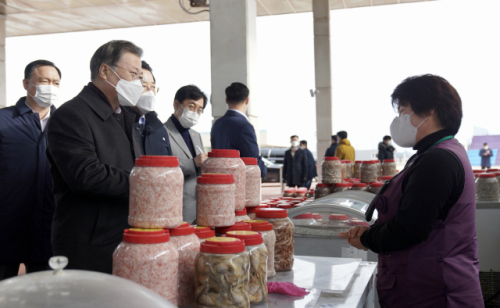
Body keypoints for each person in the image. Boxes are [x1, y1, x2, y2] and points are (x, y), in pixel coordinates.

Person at [339, 74, 483, 307]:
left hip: (434, 295)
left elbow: (410, 228)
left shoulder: (437, 160)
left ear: (430, 111)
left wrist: (367, 238)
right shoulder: (435, 153)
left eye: (403, 111)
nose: (398, 120)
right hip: (426, 289)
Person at [47, 40, 143, 273]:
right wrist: (144, 182)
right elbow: (86, 175)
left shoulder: (129, 117)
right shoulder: (72, 114)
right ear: (104, 71)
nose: (138, 83)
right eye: (133, 74)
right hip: (90, 240)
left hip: (125, 232)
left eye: (140, 76)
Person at [0, 60, 60, 280]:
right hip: (7, 223)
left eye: (55, 82)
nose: (50, 87)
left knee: (45, 294)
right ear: (27, 83)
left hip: (49, 224)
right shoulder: (3, 120)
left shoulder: (65, 123)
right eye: (44, 81)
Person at [165, 85, 207, 223]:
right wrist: (193, 163)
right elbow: (162, 168)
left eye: (199, 110)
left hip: (198, 207)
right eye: (191, 106)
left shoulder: (195, 135)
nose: (195, 112)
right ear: (177, 104)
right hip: (176, 206)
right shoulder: (161, 132)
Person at [211, 82, 267, 177]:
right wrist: (264, 169)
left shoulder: (217, 124)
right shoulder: (244, 126)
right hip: (239, 182)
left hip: (219, 181)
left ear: (226, 100)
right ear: (247, 100)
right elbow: (253, 161)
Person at [125, 61, 172, 156]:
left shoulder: (159, 127)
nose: (150, 91)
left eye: (153, 87)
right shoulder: (119, 123)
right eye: (144, 86)